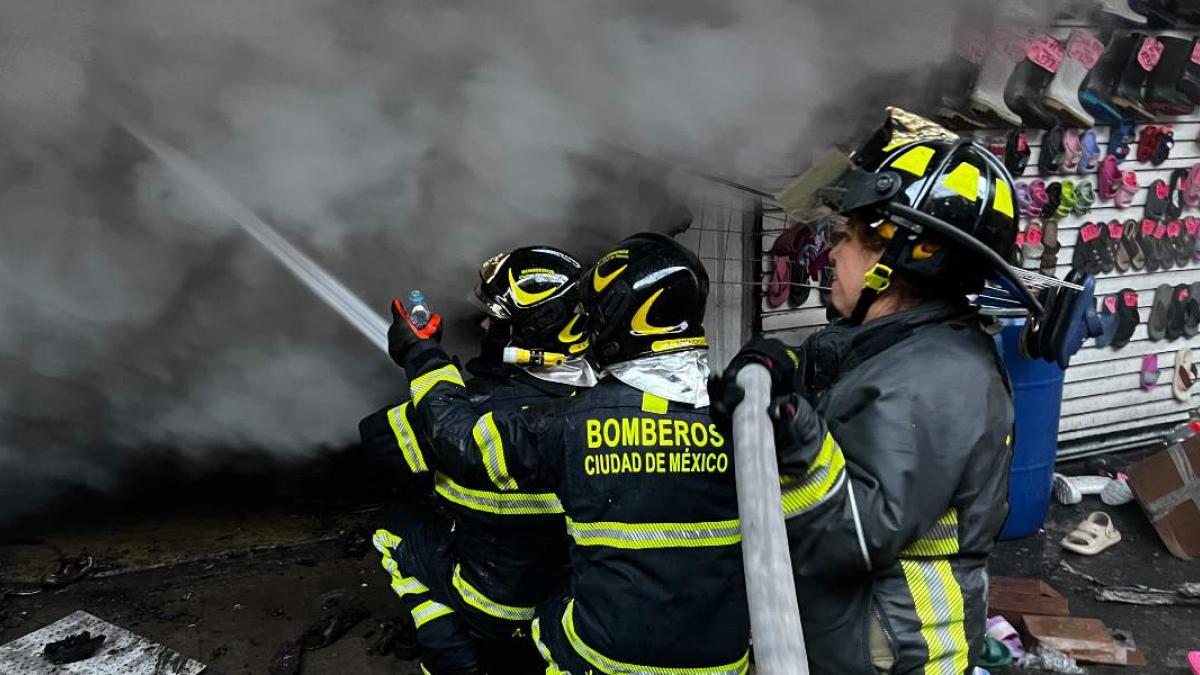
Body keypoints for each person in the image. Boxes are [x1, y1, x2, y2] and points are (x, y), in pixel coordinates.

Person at [711, 109, 1020, 675]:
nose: (832, 253)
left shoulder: (938, 379)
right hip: (865, 630)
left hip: (890, 650)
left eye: (849, 237)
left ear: (902, 255)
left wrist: (789, 427)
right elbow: (862, 403)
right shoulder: (913, 350)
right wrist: (794, 365)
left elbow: (850, 533)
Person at [388, 232, 751, 674]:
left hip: (597, 658)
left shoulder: (574, 424)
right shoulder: (745, 417)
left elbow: (460, 440)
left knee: (400, 534)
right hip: (727, 659)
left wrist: (422, 354)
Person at [360, 245, 596, 674]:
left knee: (393, 529)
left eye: (496, 320)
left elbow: (377, 444)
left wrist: (424, 360)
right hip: (573, 608)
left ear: (526, 330)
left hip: (492, 608)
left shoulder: (472, 413)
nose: (484, 325)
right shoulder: (608, 406)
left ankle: (449, 651)